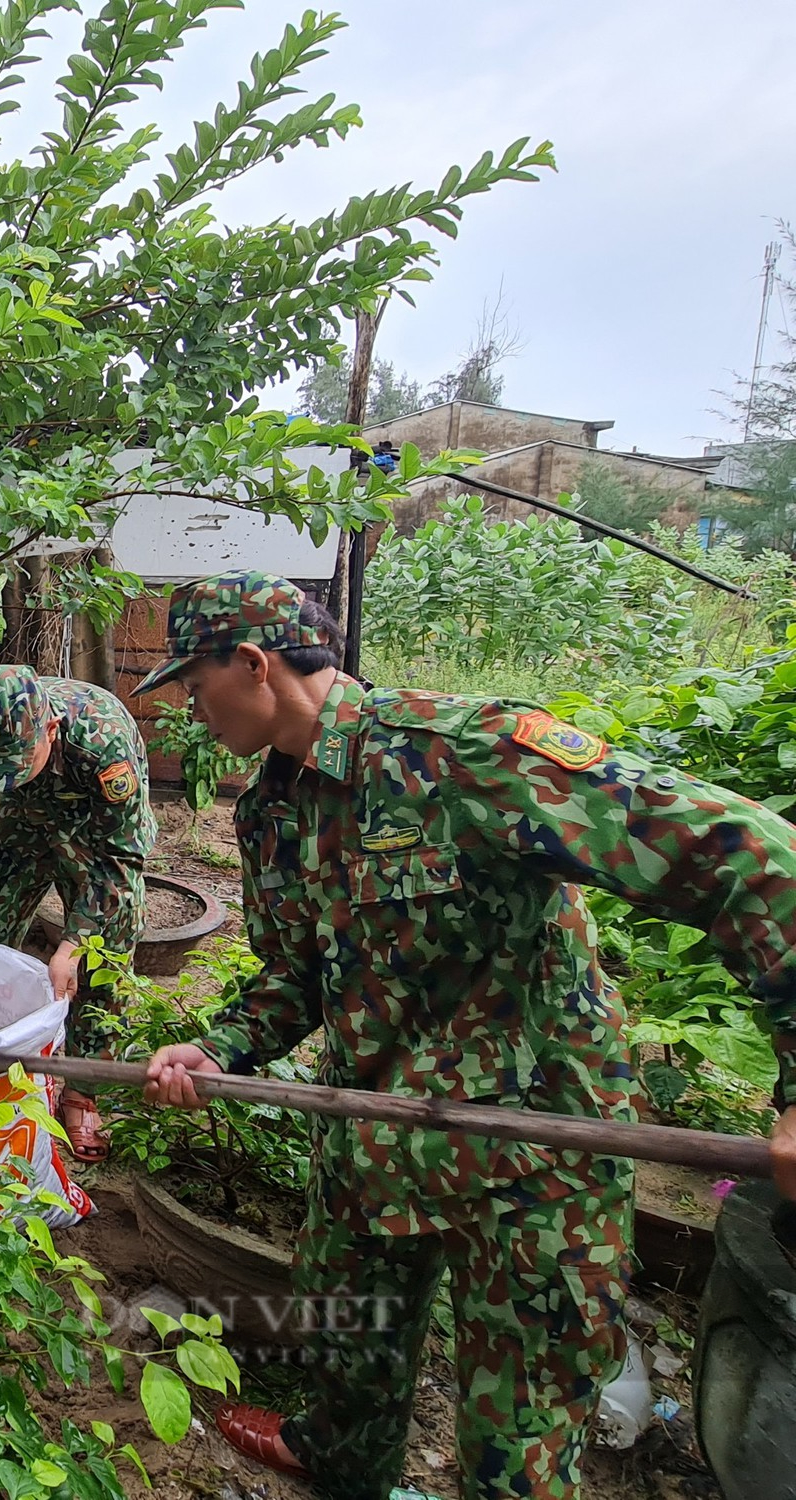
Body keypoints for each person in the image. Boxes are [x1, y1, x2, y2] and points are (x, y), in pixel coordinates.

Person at [132, 571, 796, 1499]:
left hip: (532, 1160)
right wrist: (218, 1049)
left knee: (516, 1451)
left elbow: (754, 855)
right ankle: (338, 1460)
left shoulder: (467, 756)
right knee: (349, 1352)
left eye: (194, 687)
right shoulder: (272, 811)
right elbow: (296, 979)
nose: (190, 711)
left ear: (253, 663)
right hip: (373, 1133)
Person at [0, 663, 156, 1160]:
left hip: (96, 840)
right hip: (19, 826)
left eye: (12, 764)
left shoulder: (102, 740)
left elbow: (121, 859)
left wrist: (73, 942)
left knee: (102, 959)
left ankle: (83, 1088)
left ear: (49, 730)